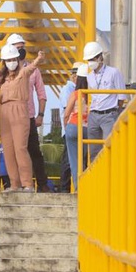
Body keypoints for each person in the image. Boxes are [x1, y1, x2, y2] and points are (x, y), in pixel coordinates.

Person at [0, 44, 45, 192]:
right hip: (4, 112)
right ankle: (14, 184)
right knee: (8, 149)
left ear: (18, 59)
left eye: (13, 59)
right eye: (8, 60)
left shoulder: (23, 73)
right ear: (4, 62)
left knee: (20, 148)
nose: (11, 62)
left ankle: (27, 184)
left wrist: (38, 58)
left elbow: (32, 68)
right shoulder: (1, 78)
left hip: (20, 111)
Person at [7, 33, 51, 193]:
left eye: (22, 47)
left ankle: (42, 183)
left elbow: (41, 94)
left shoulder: (32, 70)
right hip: (10, 118)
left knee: (34, 150)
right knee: (12, 150)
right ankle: (14, 183)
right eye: (18, 48)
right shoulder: (3, 72)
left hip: (29, 116)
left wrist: (40, 115)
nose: (21, 51)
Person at [83, 41, 127, 158]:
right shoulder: (89, 76)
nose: (90, 62)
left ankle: (111, 172)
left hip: (109, 114)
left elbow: (121, 96)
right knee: (93, 150)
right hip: (93, 114)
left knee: (110, 147)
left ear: (100, 57)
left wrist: (115, 112)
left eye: (92, 59)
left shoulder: (113, 72)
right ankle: (94, 175)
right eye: (89, 60)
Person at [63, 63, 90, 192]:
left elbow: (67, 113)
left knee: (74, 161)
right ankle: (87, 185)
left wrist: (65, 126)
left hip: (73, 126)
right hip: (88, 129)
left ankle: (79, 188)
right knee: (85, 159)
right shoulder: (92, 94)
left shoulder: (75, 94)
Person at [58, 62, 82, 192]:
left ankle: (67, 187)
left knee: (73, 160)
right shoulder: (68, 90)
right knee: (68, 160)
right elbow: (68, 109)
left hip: (74, 126)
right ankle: (64, 188)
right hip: (70, 126)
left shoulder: (74, 90)